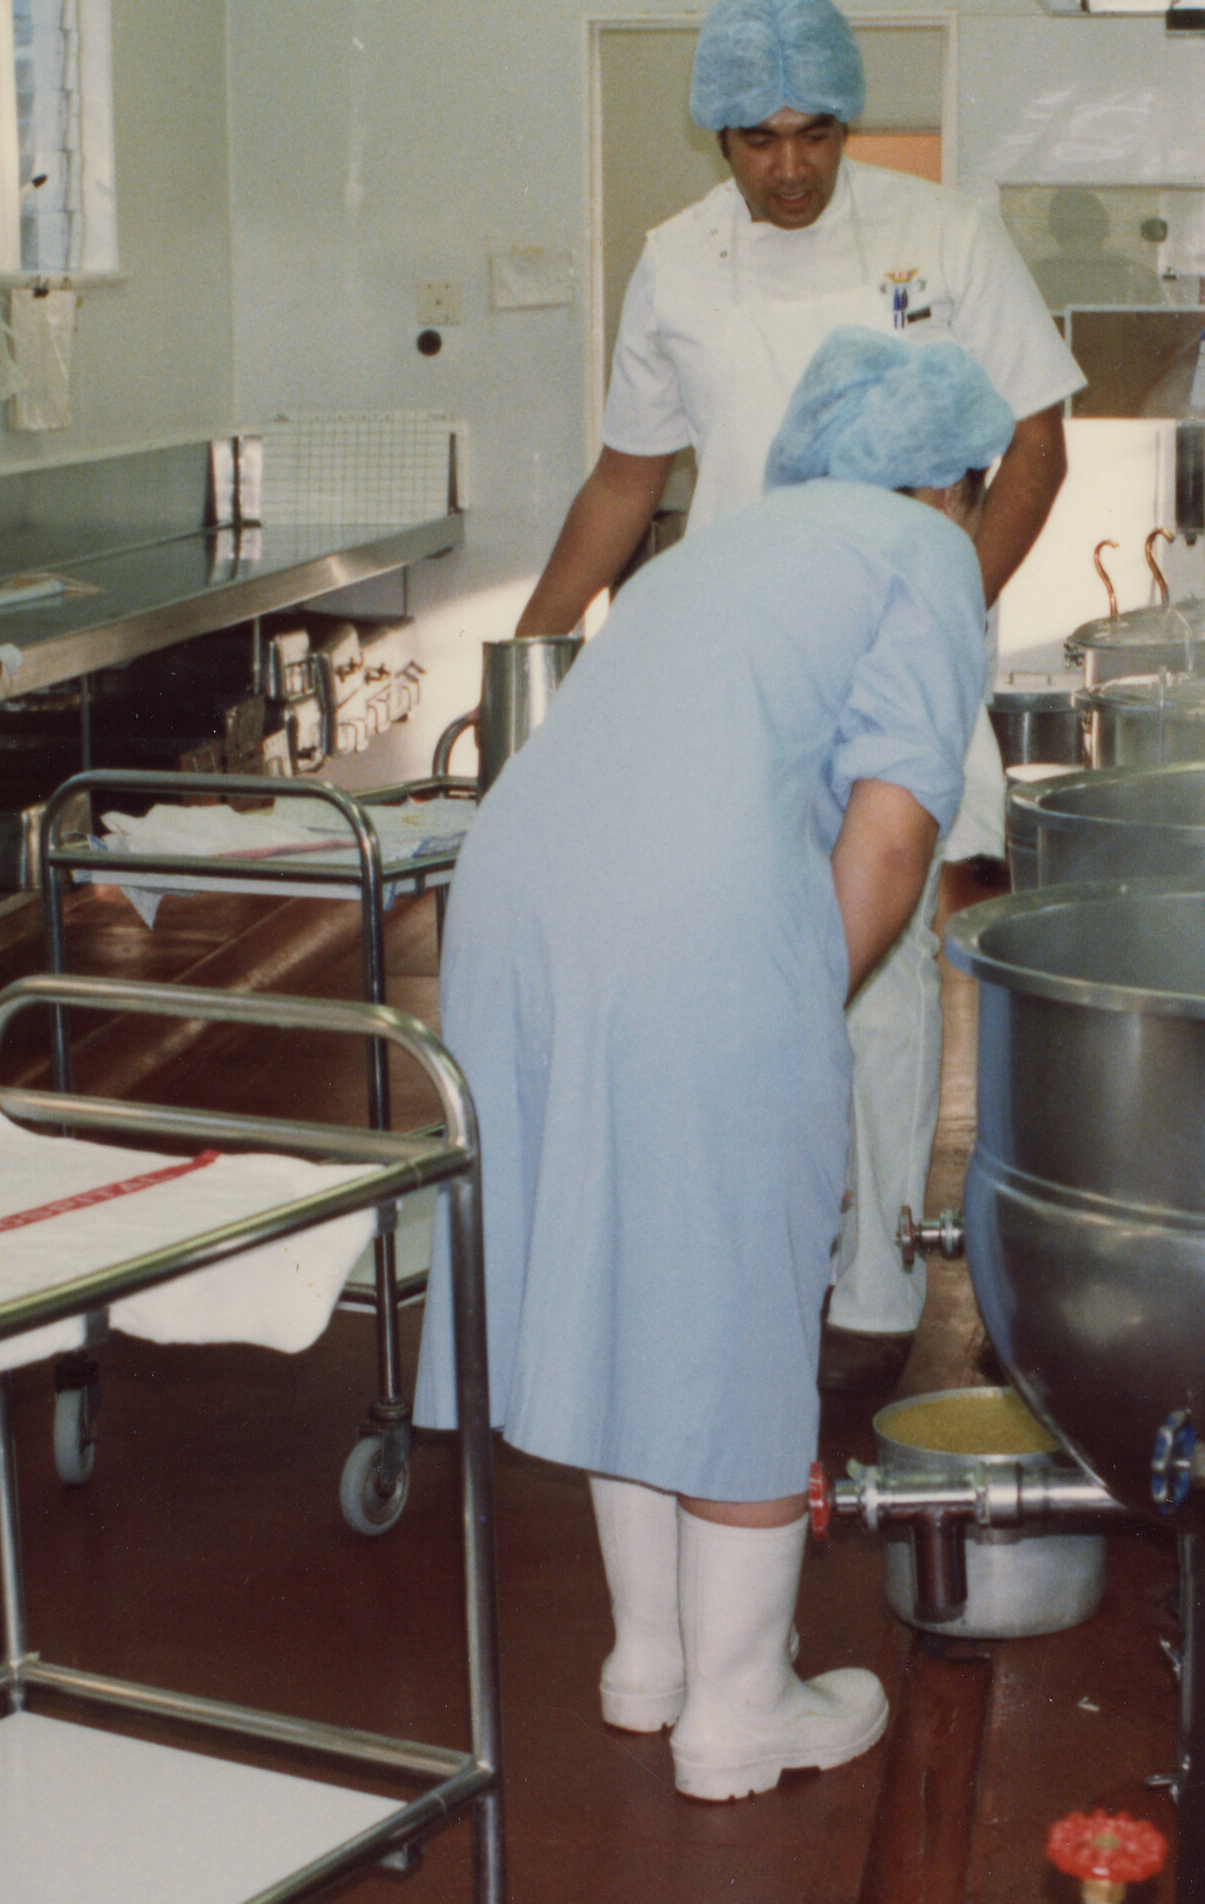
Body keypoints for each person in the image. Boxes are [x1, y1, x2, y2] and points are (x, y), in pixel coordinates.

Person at [415, 330, 1016, 1801]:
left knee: (624, 1269)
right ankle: (742, 1709)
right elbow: (892, 827)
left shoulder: (721, 551)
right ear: (949, 479)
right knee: (739, 1283)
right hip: (687, 926)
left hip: (510, 908)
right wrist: (798, 1007)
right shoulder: (927, 557)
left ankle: (651, 1660)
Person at [516, 0, 1085, 1392]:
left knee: (882, 980)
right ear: (715, 133)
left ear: (846, 118)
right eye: (756, 139)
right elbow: (627, 479)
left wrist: (944, 608)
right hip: (741, 680)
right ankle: (750, 1253)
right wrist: (530, 662)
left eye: (814, 132)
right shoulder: (677, 265)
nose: (787, 167)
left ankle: (875, 1303)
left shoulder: (940, 234)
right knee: (741, 972)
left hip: (888, 669)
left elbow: (1038, 446)